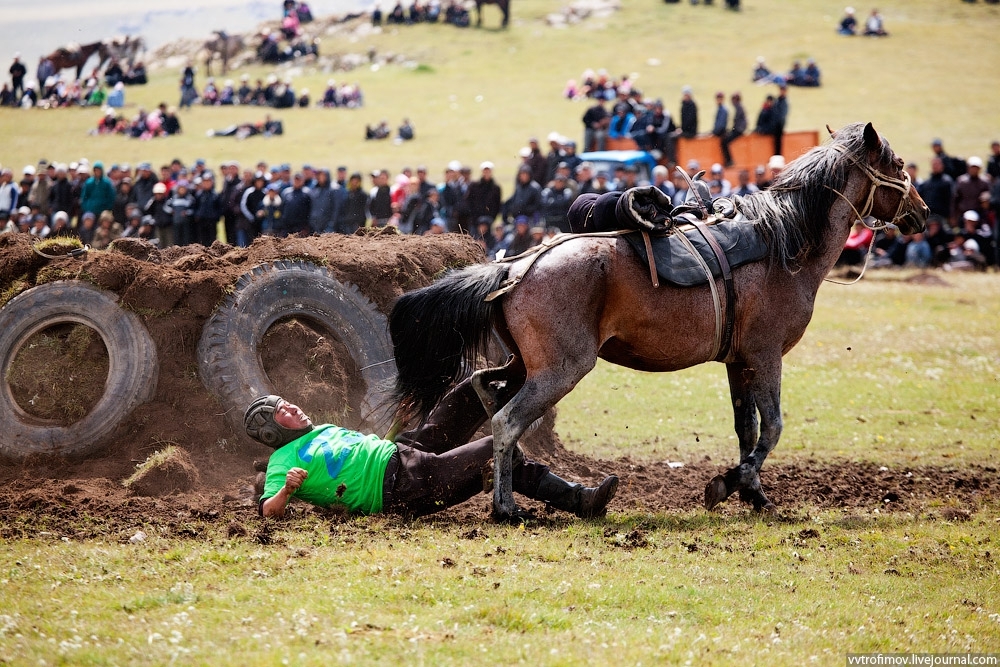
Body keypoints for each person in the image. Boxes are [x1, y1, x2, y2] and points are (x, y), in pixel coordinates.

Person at [247, 380, 618, 520]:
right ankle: (579, 501)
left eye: (288, 403)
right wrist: (287, 490)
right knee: (498, 448)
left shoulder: (321, 429)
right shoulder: (283, 461)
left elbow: (358, 451)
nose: (293, 407)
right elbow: (268, 511)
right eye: (283, 410)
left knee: (465, 394)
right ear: (270, 430)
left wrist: (397, 424)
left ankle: (522, 383)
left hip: (401, 453)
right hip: (399, 487)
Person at [917, 157, 955, 221]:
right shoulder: (926, 182)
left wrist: (951, 216)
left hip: (942, 217)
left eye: (937, 164)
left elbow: (951, 200)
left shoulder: (947, 181)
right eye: (934, 164)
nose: (935, 166)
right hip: (928, 217)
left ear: (942, 165)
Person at [772, 85, 789, 156]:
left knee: (778, 142)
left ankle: (778, 155)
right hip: (775, 124)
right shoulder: (778, 100)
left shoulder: (784, 102)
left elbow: (782, 115)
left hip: (779, 125)